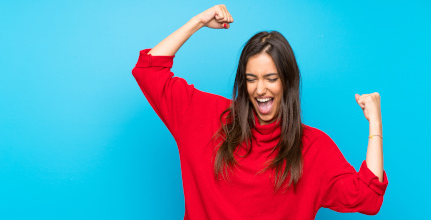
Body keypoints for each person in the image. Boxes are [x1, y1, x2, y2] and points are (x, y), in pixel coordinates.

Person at [132, 4, 388, 220]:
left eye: (271, 78)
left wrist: (375, 124)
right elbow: (148, 71)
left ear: (287, 81)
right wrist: (197, 21)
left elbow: (368, 197)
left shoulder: (312, 147)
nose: (260, 89)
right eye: (251, 78)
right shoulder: (205, 116)